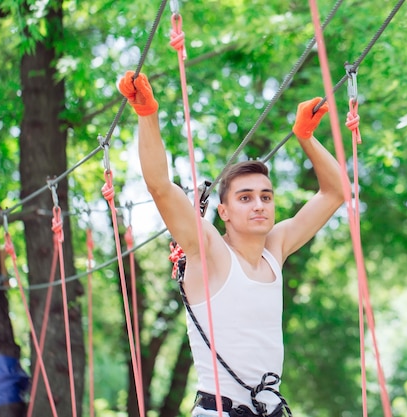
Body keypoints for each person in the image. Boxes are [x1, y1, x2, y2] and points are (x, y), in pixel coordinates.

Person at [118, 70, 346, 417]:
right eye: (246, 198)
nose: (258, 205)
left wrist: (306, 137)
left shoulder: (276, 249)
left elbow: (335, 192)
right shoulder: (210, 250)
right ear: (222, 210)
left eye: (266, 197)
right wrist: (147, 115)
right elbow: (161, 187)